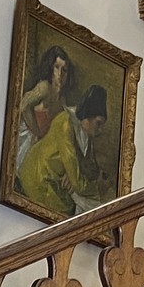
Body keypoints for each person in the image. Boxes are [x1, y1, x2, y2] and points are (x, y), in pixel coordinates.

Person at [16, 85, 108, 216]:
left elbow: (87, 166)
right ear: (87, 115)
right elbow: (78, 183)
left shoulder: (84, 133)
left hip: (56, 179)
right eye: (98, 123)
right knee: (67, 213)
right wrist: (98, 187)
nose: (101, 129)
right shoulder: (65, 124)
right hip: (37, 177)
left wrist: (72, 173)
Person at [13, 43, 73, 171]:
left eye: (64, 70)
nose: (60, 74)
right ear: (51, 68)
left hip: (42, 144)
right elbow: (23, 105)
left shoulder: (63, 101)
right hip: (29, 138)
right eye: (57, 67)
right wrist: (36, 133)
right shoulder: (44, 87)